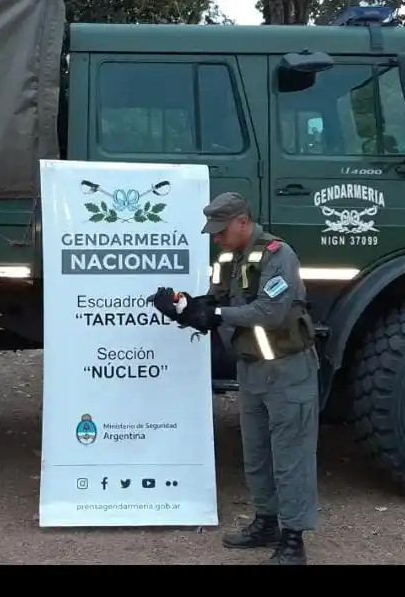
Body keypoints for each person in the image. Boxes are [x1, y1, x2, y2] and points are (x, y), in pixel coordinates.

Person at [148, 192, 319, 566]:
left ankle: (294, 539)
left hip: (288, 369)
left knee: (291, 457)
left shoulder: (278, 255)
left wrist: (219, 314)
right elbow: (215, 303)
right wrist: (183, 308)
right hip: (252, 368)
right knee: (256, 452)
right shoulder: (229, 257)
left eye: (221, 231)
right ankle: (267, 522)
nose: (216, 239)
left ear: (243, 222)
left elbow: (269, 312)